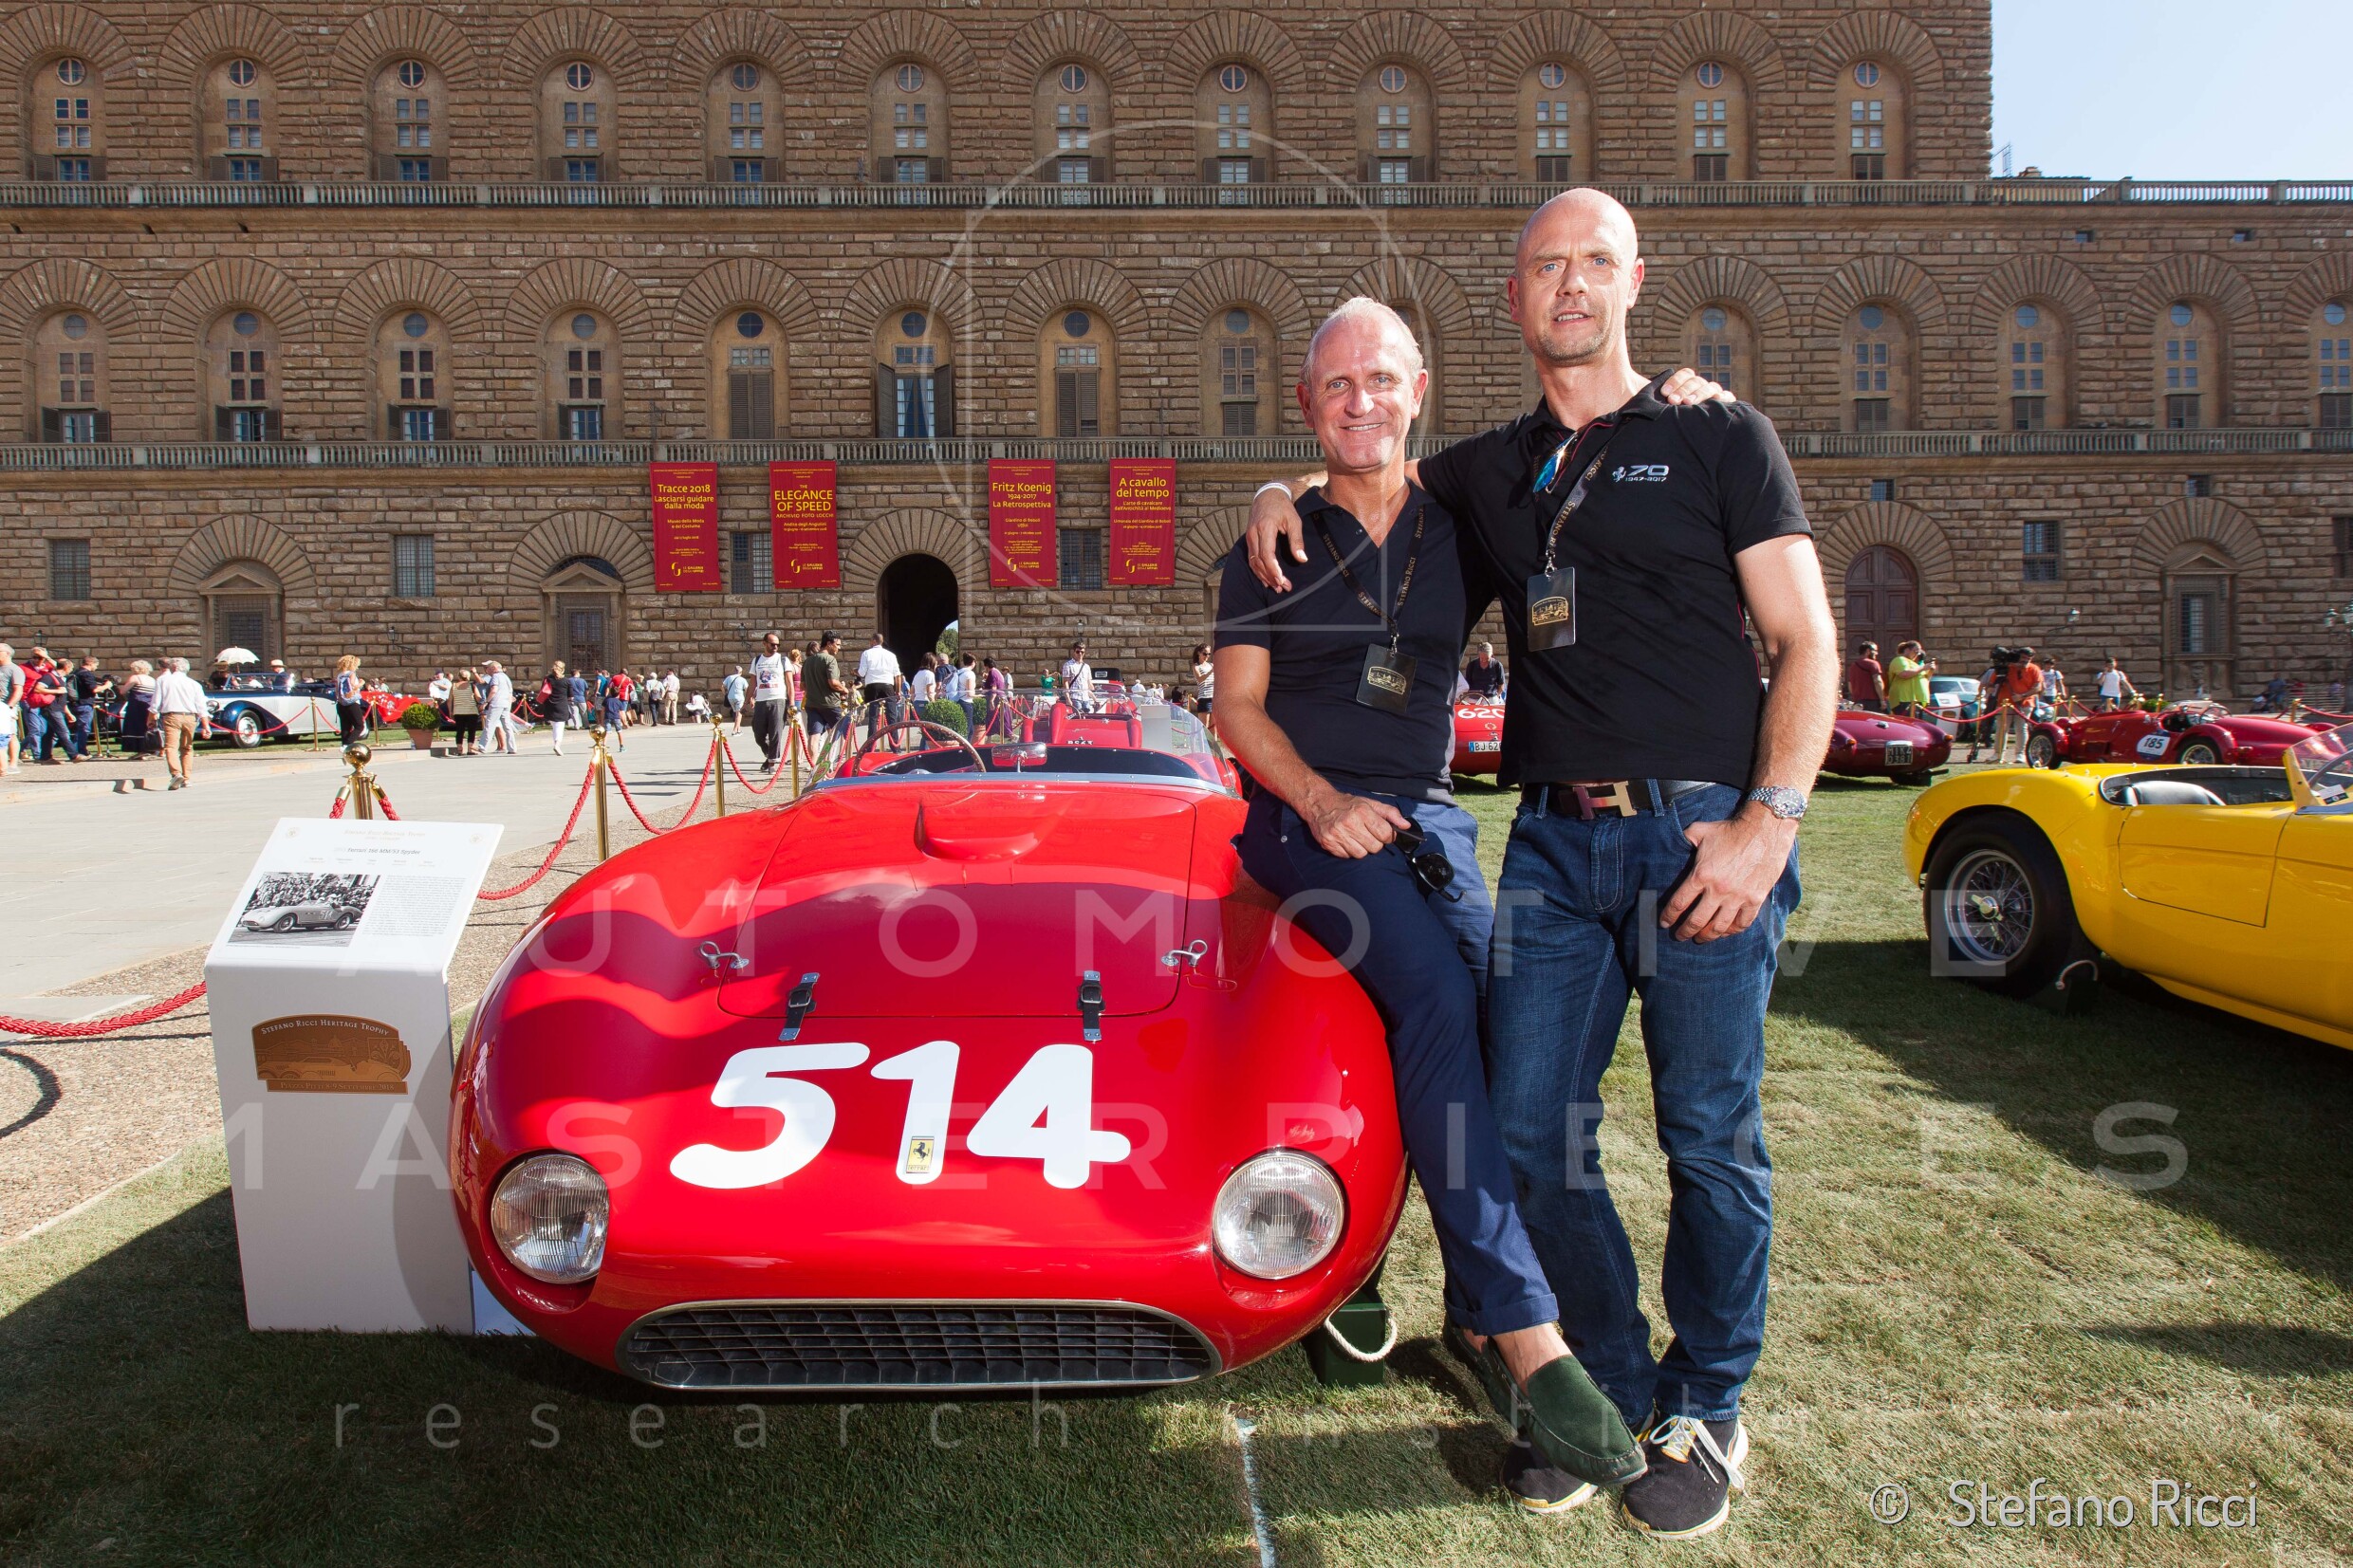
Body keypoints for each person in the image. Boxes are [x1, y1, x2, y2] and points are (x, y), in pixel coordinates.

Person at [1246, 190, 1827, 1538]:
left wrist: (1769, 823)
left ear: (1633, 282)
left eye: (1594, 263)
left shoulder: (1718, 432)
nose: (1570, 285)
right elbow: (1361, 457)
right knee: (1525, 1130)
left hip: (1701, 831)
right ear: (1513, 298)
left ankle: (1710, 1403)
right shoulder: (1485, 474)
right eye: (1545, 266)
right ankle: (1605, 1387)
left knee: (1707, 1134)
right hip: (1556, 844)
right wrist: (1271, 489)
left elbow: (1805, 639)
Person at [1218, 296, 1644, 1498]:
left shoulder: (1463, 521)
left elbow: (1589, 446)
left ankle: (1461, 1299)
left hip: (1427, 820)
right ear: (1307, 404)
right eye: (1334, 384)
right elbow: (1235, 710)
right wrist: (1317, 802)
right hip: (1300, 824)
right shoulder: (1268, 542)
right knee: (1435, 1002)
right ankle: (1526, 1335)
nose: (1358, 400)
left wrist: (1682, 398)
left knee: (1512, 1032)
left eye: (1379, 380)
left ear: (1417, 392)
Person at [153, 657, 206, 789]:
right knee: (187, 747)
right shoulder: (194, 684)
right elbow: (201, 706)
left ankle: (176, 773)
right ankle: (186, 779)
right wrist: (206, 726)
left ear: (174, 667)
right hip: (190, 717)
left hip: (172, 716)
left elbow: (155, 703)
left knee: (171, 747)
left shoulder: (163, 680)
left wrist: (151, 718)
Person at [749, 633, 789, 767]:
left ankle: (772, 763)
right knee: (758, 734)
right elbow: (752, 683)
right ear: (764, 643)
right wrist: (746, 701)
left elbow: (789, 684)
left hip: (778, 699)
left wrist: (791, 704)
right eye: (772, 644)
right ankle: (770, 754)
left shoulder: (783, 660)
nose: (775, 647)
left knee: (775, 733)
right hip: (761, 700)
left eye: (778, 645)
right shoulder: (757, 661)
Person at [857, 632, 902, 741]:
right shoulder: (891, 655)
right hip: (888, 686)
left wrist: (855, 671)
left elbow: (862, 673)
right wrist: (898, 691)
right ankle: (895, 745)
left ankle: (871, 744)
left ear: (873, 641)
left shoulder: (866, 653)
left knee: (873, 717)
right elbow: (897, 675)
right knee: (891, 717)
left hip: (872, 686)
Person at [804, 633, 846, 745]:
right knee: (844, 733)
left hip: (812, 704)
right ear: (829, 644)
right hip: (830, 704)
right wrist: (844, 689)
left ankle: (817, 757)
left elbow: (802, 686)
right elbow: (833, 683)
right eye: (837, 644)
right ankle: (843, 755)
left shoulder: (807, 661)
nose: (839, 647)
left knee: (814, 736)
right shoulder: (830, 659)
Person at [69, 655, 109, 759]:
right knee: (84, 729)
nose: (96, 667)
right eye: (96, 665)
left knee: (79, 728)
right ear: (91, 663)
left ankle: (76, 751)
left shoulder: (76, 672)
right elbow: (94, 689)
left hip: (75, 703)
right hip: (84, 704)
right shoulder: (86, 674)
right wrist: (108, 685)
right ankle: (79, 752)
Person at [119, 658, 156, 757]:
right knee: (146, 726)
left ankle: (140, 750)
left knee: (136, 727)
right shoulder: (152, 680)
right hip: (148, 705)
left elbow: (123, 691)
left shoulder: (135, 678)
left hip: (137, 706)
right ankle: (149, 748)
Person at [1885, 641, 1933, 718]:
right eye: (1915, 651)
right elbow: (1904, 674)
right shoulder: (1900, 660)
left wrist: (1931, 671)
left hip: (1918, 701)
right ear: (1907, 650)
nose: (1917, 654)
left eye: (1919, 652)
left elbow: (1926, 680)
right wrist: (1923, 668)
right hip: (1904, 700)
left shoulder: (1916, 665)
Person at [330, 655, 369, 747]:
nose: (357, 667)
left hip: (341, 703)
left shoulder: (339, 675)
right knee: (359, 726)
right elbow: (353, 686)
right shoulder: (352, 673)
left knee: (345, 727)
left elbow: (337, 690)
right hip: (352, 703)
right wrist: (361, 683)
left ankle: (344, 745)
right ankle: (347, 744)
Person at [546, 660, 580, 755]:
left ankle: (556, 744)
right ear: (563, 669)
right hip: (561, 705)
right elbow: (571, 696)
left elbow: (543, 691)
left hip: (550, 705)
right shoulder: (566, 681)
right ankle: (557, 745)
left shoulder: (548, 679)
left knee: (555, 726)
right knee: (559, 727)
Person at [483, 660, 517, 753]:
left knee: (490, 724)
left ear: (494, 668)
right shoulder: (506, 677)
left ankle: (483, 746)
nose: (487, 671)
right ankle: (512, 748)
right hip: (506, 704)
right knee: (507, 727)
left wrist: (486, 702)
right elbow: (510, 691)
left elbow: (494, 690)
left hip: (496, 703)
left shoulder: (495, 676)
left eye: (488, 669)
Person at [448, 665, 482, 754]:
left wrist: (450, 711)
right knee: (471, 731)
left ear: (459, 676)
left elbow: (449, 700)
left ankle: (459, 750)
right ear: (468, 677)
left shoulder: (453, 686)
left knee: (460, 731)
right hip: (472, 711)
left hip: (458, 712)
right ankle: (470, 749)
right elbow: (479, 698)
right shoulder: (472, 686)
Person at [1843, 640, 1885, 711]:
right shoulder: (1873, 664)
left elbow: (1850, 685)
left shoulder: (1853, 666)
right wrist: (1882, 700)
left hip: (1857, 703)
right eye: (1875, 650)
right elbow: (1877, 681)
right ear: (1868, 651)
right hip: (1872, 702)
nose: (1877, 653)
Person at [0, 644, 21, 778]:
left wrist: (10, 707)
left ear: (7, 653)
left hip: (6, 707)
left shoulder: (14, 669)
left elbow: (18, 690)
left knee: (11, 734)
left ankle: (13, 764)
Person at [1060, 641, 1095, 713]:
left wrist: (1095, 698)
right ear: (1074, 652)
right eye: (1078, 652)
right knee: (1078, 717)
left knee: (1087, 717)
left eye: (1082, 652)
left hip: (1086, 698)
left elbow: (1089, 684)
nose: (1080, 654)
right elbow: (1065, 683)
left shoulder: (1086, 667)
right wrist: (1068, 699)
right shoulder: (1068, 665)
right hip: (1075, 697)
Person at [1189, 643, 1215, 716]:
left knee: (1214, 724)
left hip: (1214, 698)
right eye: (1205, 654)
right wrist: (1211, 672)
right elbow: (1200, 679)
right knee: (1204, 724)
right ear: (1199, 653)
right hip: (1204, 698)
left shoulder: (1211, 665)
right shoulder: (1196, 666)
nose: (1207, 656)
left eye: (1209, 654)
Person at [723, 665, 748, 732]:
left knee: (737, 713)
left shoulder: (729, 678)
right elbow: (747, 690)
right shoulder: (742, 679)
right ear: (741, 672)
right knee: (739, 714)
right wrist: (749, 699)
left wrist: (725, 693)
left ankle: (738, 730)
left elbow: (722, 686)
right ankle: (734, 730)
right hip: (739, 698)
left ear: (734, 671)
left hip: (730, 698)